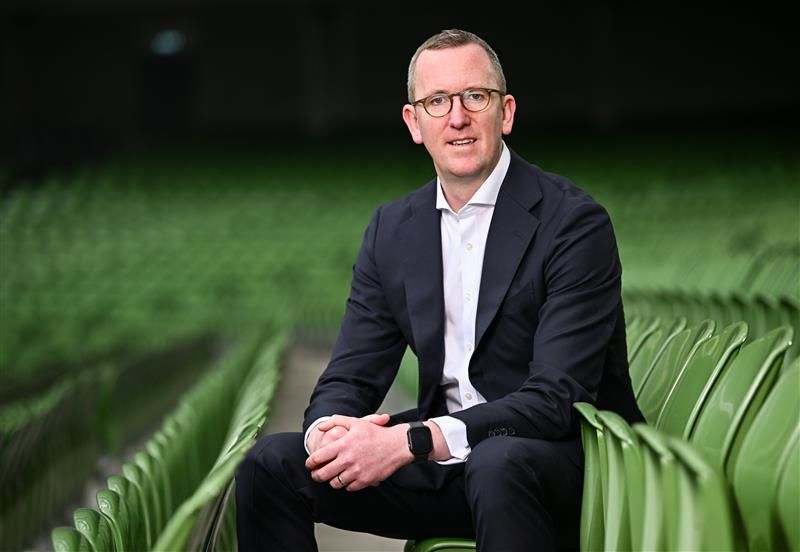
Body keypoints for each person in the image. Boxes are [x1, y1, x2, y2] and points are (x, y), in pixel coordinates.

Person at [235, 28, 643, 551]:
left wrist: (413, 440)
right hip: (445, 463)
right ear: (414, 122)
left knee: (497, 464)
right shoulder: (392, 230)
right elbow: (352, 374)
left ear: (506, 112)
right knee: (270, 465)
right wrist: (330, 434)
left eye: (475, 96)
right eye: (437, 101)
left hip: (554, 462)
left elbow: (556, 399)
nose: (457, 117)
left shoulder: (573, 224)